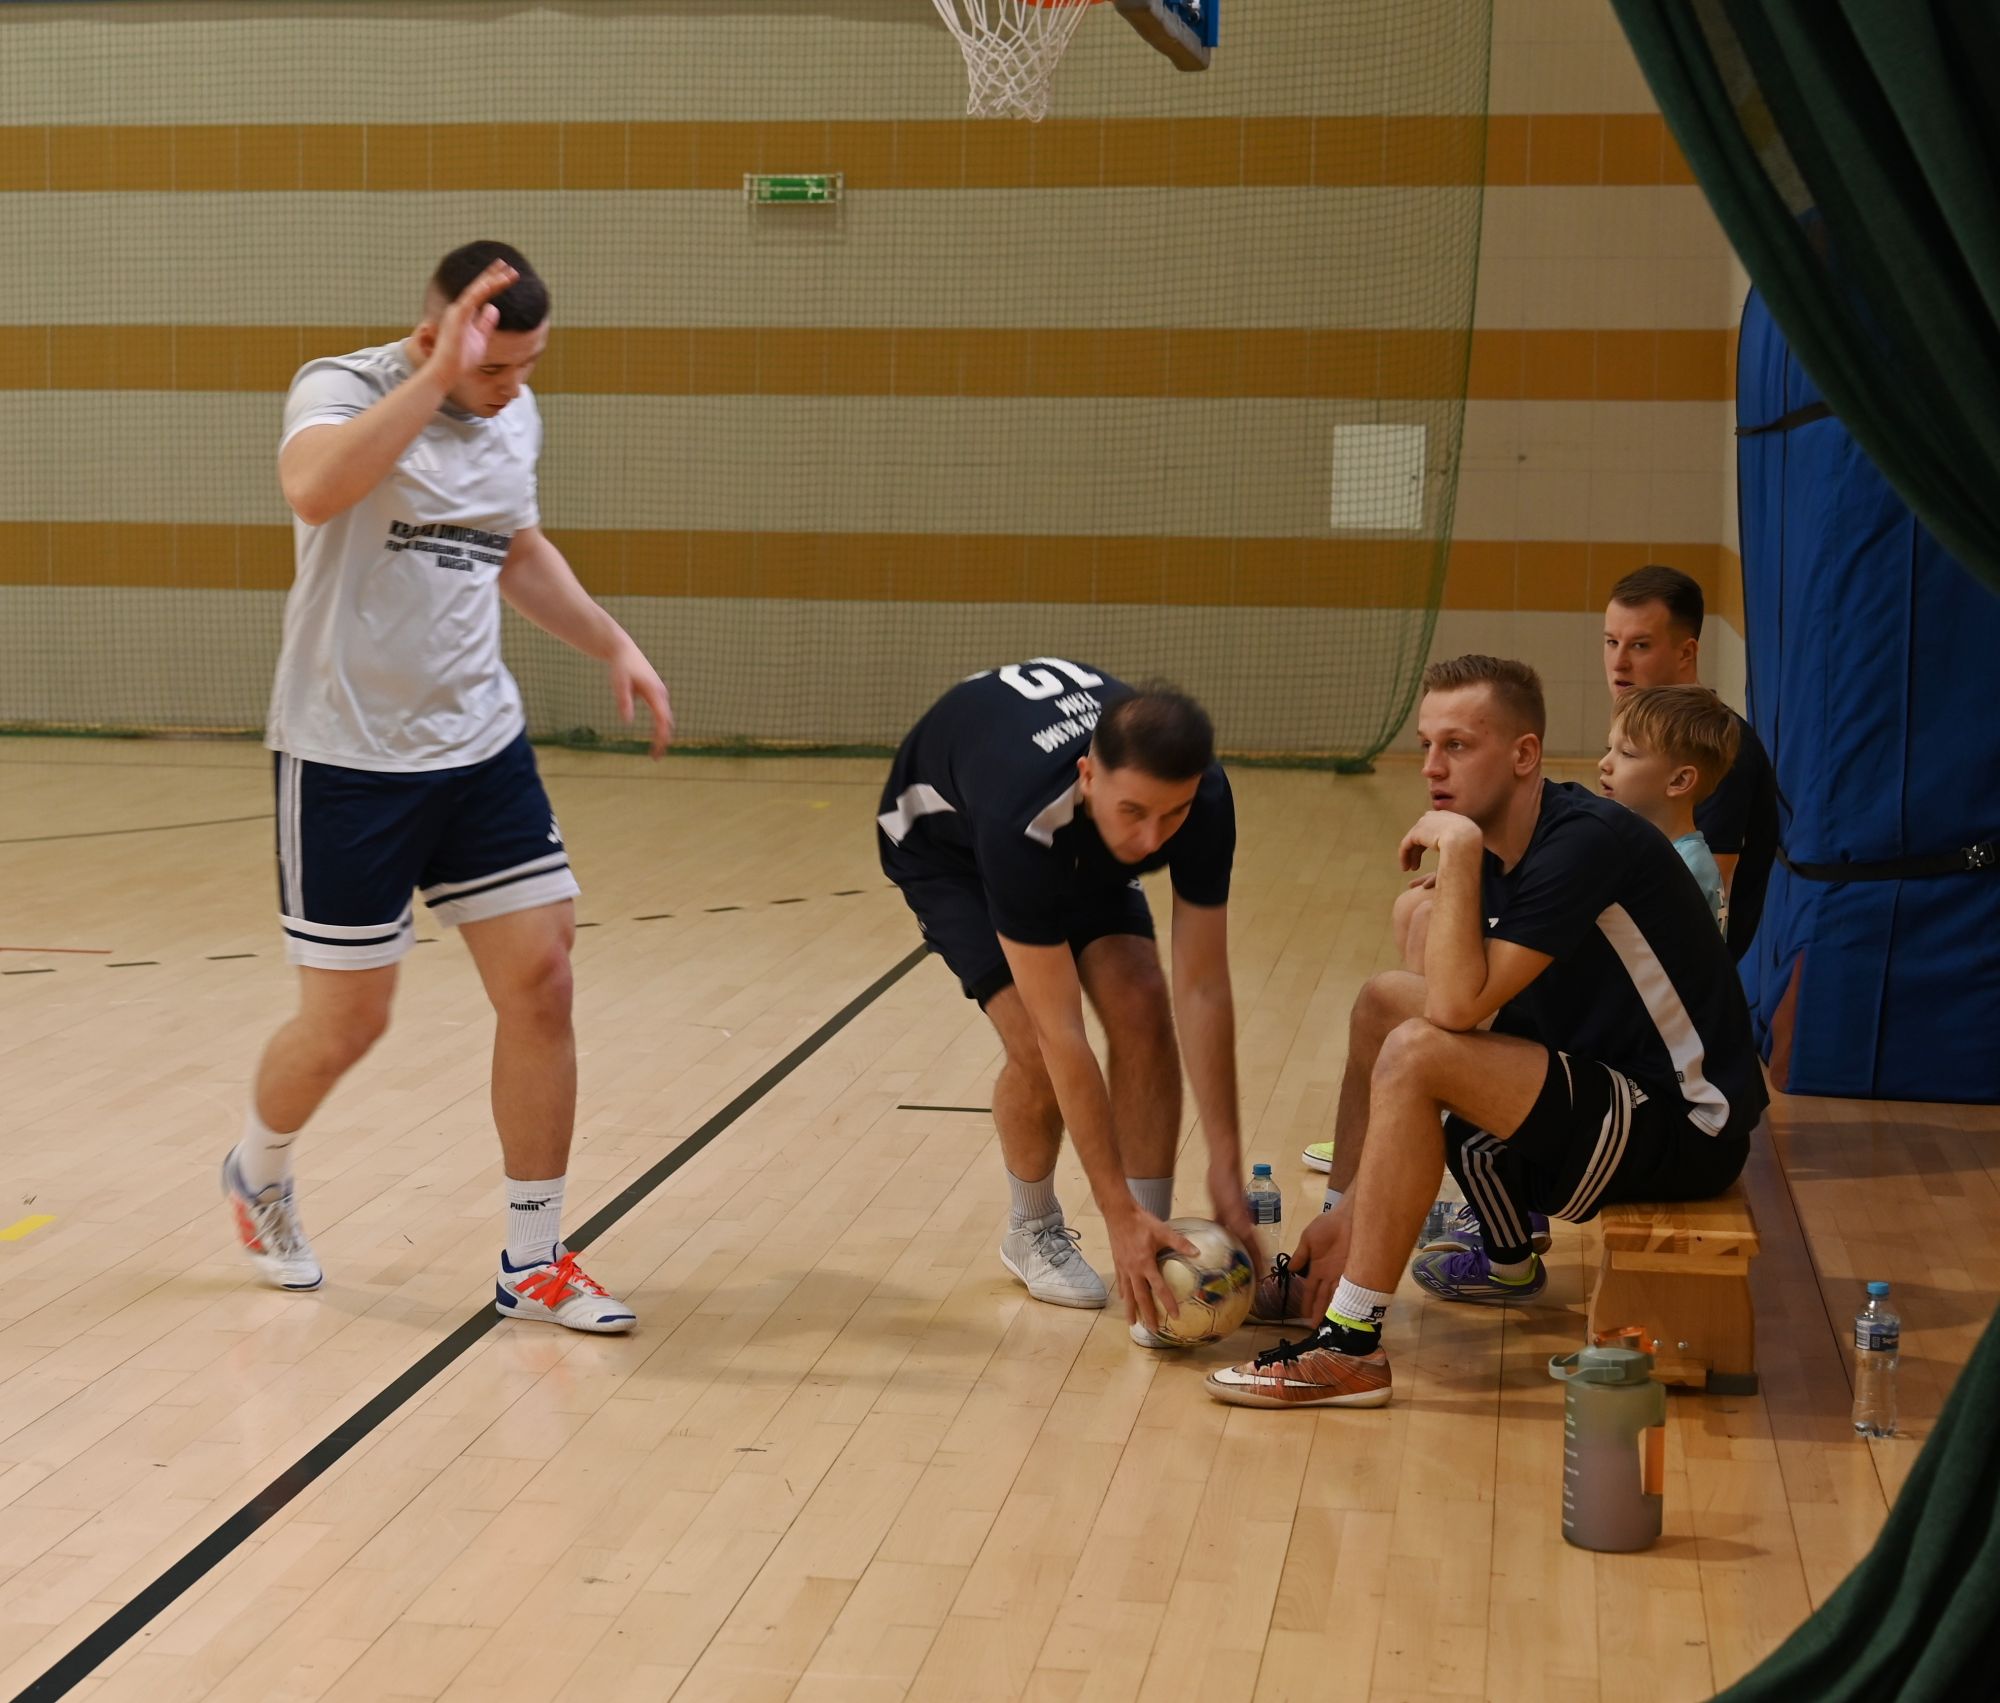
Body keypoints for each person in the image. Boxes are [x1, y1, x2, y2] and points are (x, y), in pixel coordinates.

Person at [222, 241, 673, 1334]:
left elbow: (510, 546)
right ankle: (257, 1167)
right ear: (431, 337)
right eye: (493, 367)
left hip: (478, 746)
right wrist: (436, 380)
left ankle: (534, 1259)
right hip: (347, 755)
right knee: (347, 1022)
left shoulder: (514, 412)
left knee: (543, 979)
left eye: (530, 366)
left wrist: (611, 640)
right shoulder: (343, 387)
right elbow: (314, 489)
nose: (513, 388)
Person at [1208, 655, 1767, 1408]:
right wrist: (1354, 1205)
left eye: (1458, 746)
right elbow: (1451, 996)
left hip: (1686, 1123)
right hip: (1606, 1079)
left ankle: (1350, 1346)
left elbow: (1454, 1009)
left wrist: (1461, 848)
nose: (1431, 767)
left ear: (1524, 754)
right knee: (1382, 1003)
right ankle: (1329, 1250)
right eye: (1426, 745)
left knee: (1417, 1051)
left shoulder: (1583, 842)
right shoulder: (1518, 835)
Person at [877, 660, 1263, 1343]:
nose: (1151, 840)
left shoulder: (1202, 797)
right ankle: (1031, 1228)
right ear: (1088, 775)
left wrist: (1226, 1169)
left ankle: (1153, 1251)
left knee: (1143, 1001)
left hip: (1073, 829)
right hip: (948, 848)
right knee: (1035, 1044)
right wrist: (1113, 1212)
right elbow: (1062, 1033)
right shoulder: (1019, 815)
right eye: (1134, 812)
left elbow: (1202, 986)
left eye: (1171, 814)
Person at [1602, 564, 1777, 960]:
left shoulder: (1720, 750)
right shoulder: (1650, 728)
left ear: (1686, 652)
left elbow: (1708, 897)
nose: (1619, 663)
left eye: (1640, 645)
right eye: (1612, 642)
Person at [1599, 684, 1742, 931]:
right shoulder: (1651, 851)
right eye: (1609, 749)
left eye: (1627, 753)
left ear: (1679, 780)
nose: (1604, 763)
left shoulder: (1684, 868)